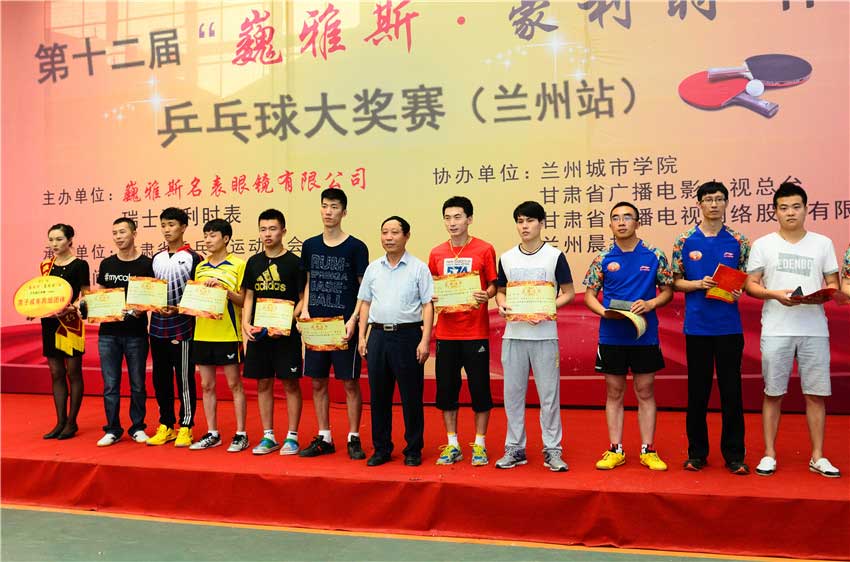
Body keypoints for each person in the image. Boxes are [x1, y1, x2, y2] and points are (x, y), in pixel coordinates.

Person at [745, 182, 841, 478]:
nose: (790, 213)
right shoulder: (763, 244)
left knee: (816, 394)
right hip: (777, 328)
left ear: (806, 209)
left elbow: (834, 284)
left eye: (796, 207)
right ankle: (769, 454)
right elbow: (751, 284)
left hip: (814, 328)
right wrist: (774, 295)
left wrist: (825, 295)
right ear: (775, 211)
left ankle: (818, 456)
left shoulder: (822, 243)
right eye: (784, 207)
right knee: (773, 392)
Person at [583, 201, 673, 472]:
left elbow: (667, 291)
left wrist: (651, 303)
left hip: (644, 335)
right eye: (616, 218)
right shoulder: (602, 258)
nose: (621, 222)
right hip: (612, 335)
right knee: (614, 391)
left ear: (637, 222)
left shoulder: (654, 255)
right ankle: (616, 449)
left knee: (645, 390)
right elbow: (589, 295)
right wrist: (603, 312)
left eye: (627, 217)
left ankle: (648, 449)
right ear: (610, 224)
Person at [672, 182, 750, 474]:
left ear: (727, 203)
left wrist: (740, 290)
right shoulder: (684, 241)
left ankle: (734, 455)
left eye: (719, 199)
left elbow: (748, 279)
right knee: (698, 392)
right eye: (708, 199)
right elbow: (674, 281)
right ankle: (697, 453)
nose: (714, 204)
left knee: (732, 392)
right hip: (698, 327)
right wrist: (697, 284)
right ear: (699, 204)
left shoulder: (739, 240)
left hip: (729, 327)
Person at [494, 201, 574, 472]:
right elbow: (501, 291)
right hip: (514, 336)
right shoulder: (507, 258)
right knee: (513, 395)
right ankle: (515, 448)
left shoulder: (554, 256)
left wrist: (547, 308)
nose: (524, 226)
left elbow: (569, 293)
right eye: (520, 221)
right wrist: (502, 304)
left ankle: (553, 450)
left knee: (549, 396)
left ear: (541, 223)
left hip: (544, 335)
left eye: (529, 220)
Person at [357, 216, 434, 467]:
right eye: (384, 232)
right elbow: (365, 303)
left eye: (394, 232)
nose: (388, 237)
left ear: (406, 236)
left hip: (408, 336)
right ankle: (381, 448)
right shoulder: (373, 268)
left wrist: (425, 340)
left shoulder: (418, 268)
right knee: (379, 396)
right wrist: (362, 336)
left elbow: (428, 305)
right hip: (378, 336)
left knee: (411, 396)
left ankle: (413, 449)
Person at [299, 189, 369, 460]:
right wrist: (305, 310)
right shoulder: (310, 245)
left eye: (335, 207)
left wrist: (354, 320)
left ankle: (354, 437)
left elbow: (364, 291)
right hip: (316, 325)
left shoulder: (356, 247)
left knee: (349, 383)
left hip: (343, 326)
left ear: (344, 212)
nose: (329, 211)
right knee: (317, 382)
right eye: (325, 206)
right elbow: (308, 281)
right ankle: (324, 436)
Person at [428, 196, 498, 466]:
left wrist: (486, 294)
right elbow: (432, 286)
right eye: (447, 218)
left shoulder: (484, 249)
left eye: (457, 217)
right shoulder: (436, 253)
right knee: (447, 390)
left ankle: (479, 444)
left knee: (480, 389)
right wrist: (434, 295)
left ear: (469, 219)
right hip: (446, 333)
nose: (452, 223)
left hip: (475, 332)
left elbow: (494, 285)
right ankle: (452, 443)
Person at [241, 209, 305, 456]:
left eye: (273, 229)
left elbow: (302, 298)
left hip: (285, 334)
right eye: (263, 229)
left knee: (290, 383)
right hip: (259, 334)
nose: (267, 234)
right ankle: (268, 436)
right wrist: (246, 324)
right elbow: (249, 296)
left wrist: (286, 322)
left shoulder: (295, 263)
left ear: (283, 231)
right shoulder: (254, 262)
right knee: (263, 382)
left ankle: (292, 436)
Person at [189, 219, 248, 452]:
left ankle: (241, 434)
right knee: (206, 385)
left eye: (212, 235)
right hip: (203, 333)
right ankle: (212, 433)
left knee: (234, 384)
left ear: (226, 238)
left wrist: (224, 290)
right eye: (205, 236)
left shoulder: (238, 265)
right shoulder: (200, 267)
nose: (208, 240)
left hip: (228, 334)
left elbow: (243, 300)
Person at [94, 217, 154, 446]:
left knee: (138, 384)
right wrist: (90, 305)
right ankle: (112, 429)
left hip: (136, 334)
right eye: (115, 233)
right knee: (110, 384)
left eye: (122, 232)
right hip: (108, 334)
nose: (118, 237)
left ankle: (138, 427)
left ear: (134, 233)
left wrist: (142, 308)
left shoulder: (146, 264)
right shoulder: (107, 264)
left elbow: (152, 297)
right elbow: (100, 294)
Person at [147, 207, 201, 447]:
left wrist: (179, 309)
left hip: (183, 328)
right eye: (163, 225)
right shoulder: (156, 258)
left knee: (184, 379)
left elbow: (199, 295)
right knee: (160, 379)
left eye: (171, 225)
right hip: (157, 327)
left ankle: (186, 425)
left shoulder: (194, 258)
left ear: (183, 227)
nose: (167, 230)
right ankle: (166, 424)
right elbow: (149, 290)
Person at [39, 223, 90, 440]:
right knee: (56, 373)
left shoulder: (80, 264)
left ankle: (71, 422)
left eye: (59, 239)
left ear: (70, 240)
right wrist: (34, 309)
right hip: (50, 323)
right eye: (51, 239)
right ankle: (60, 421)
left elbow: (86, 295)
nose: (54, 244)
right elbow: (42, 294)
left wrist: (73, 307)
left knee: (73, 372)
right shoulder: (46, 266)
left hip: (70, 323)